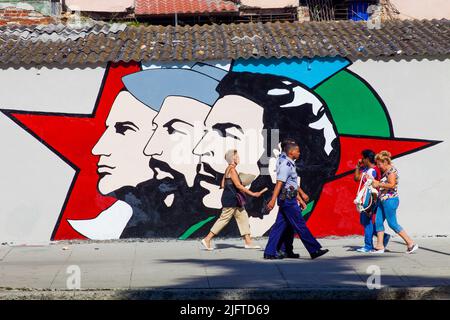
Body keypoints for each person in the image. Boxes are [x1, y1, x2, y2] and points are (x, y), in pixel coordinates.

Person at [263, 142, 329, 260]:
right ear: (291, 152)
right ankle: (314, 250)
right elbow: (280, 183)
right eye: (297, 151)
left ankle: (270, 252)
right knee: (300, 225)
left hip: (289, 198)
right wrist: (273, 200)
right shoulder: (285, 165)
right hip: (288, 200)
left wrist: (301, 198)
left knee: (280, 226)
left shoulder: (289, 163)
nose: (299, 153)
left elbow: (291, 184)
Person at [201, 149, 266, 250]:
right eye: (237, 156)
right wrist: (253, 193)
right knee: (224, 219)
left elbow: (222, 184)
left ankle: (248, 242)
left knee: (243, 217)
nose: (239, 157)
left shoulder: (228, 169)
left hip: (234, 200)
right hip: (231, 200)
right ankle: (207, 239)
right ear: (233, 158)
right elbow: (238, 186)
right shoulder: (232, 170)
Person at [369, 151, 419, 254]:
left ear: (385, 162)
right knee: (378, 222)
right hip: (382, 200)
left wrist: (379, 184)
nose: (378, 166)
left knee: (392, 223)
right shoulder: (385, 171)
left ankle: (410, 243)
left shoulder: (391, 171)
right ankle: (380, 246)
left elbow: (392, 185)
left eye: (379, 164)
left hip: (390, 200)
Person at [354, 149, 390, 253]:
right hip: (367, 198)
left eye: (363, 158)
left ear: (367, 159)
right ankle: (384, 237)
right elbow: (356, 178)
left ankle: (368, 245)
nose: (361, 160)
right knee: (364, 221)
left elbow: (373, 187)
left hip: (371, 198)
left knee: (366, 221)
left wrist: (370, 203)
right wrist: (358, 167)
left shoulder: (373, 171)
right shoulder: (366, 170)